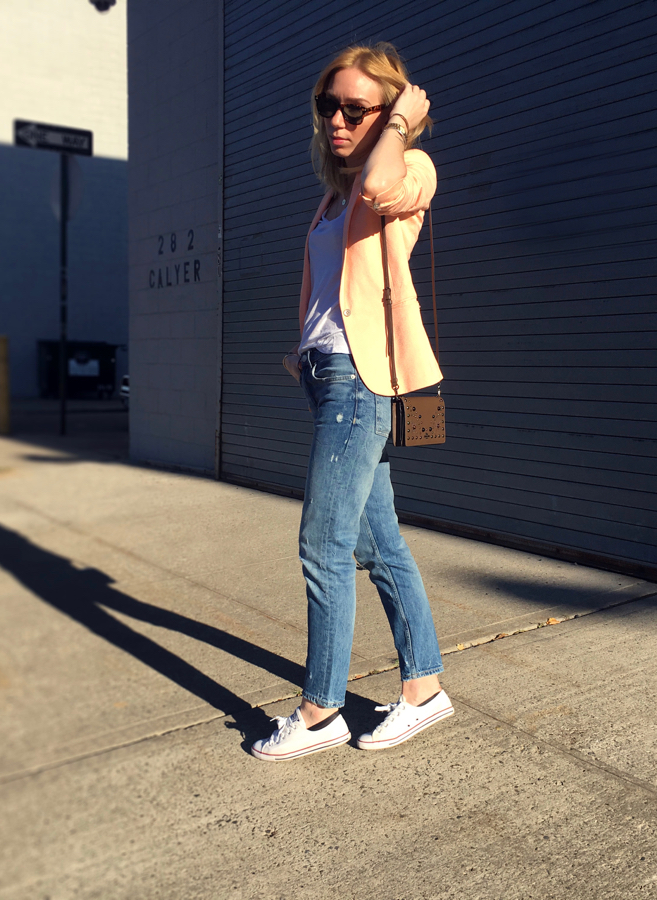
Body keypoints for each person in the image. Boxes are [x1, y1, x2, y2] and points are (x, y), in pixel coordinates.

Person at [252, 43, 452, 762]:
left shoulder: (410, 169)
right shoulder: (334, 194)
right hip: (326, 372)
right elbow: (334, 288)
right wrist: (302, 350)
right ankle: (424, 688)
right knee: (376, 542)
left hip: (358, 380)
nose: (336, 119)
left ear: (390, 111)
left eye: (355, 108)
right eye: (327, 105)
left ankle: (320, 712)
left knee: (323, 544)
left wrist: (400, 123)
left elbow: (381, 186)